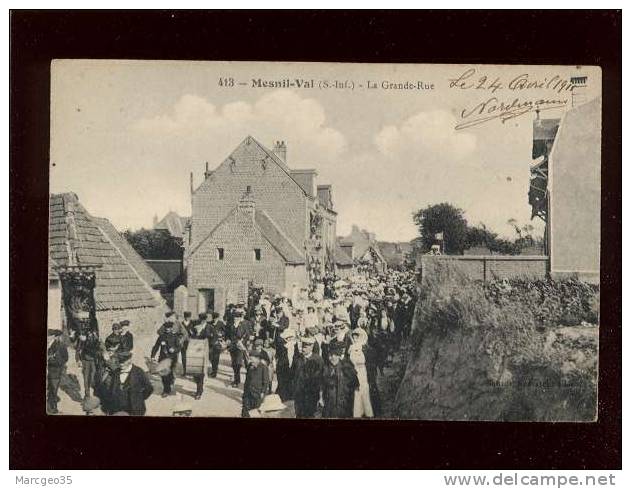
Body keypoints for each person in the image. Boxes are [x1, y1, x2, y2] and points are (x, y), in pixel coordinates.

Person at [96, 350, 153, 416]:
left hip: (134, 410)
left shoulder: (138, 372)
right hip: (117, 409)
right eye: (119, 362)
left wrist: (138, 398)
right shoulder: (116, 372)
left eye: (123, 362)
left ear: (130, 360)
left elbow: (149, 388)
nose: (121, 364)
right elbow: (111, 390)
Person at [321, 342, 359, 418]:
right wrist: (321, 398)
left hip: (343, 401)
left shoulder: (346, 367)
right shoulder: (326, 368)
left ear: (338, 356)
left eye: (333, 355)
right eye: (329, 355)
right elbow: (322, 385)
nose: (331, 358)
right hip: (330, 402)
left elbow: (355, 384)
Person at [292, 336, 324, 418]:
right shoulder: (298, 358)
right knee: (298, 414)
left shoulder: (318, 359)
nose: (303, 349)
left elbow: (320, 377)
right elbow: (293, 373)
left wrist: (320, 393)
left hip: (311, 392)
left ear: (311, 347)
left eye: (305, 347)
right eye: (302, 346)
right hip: (299, 392)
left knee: (310, 414)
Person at [151, 320, 180, 397]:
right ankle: (166, 390)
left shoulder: (175, 336)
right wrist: (153, 356)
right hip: (163, 358)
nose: (167, 329)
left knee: (169, 374)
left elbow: (179, 347)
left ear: (171, 328)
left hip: (172, 358)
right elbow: (156, 346)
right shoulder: (161, 337)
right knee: (164, 375)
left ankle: (171, 381)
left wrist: (174, 349)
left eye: (169, 328)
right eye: (166, 328)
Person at [188, 312, 211, 400]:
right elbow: (191, 336)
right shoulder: (195, 327)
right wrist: (195, 333)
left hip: (204, 350)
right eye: (201, 320)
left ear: (205, 320)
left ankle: (199, 391)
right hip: (195, 350)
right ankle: (199, 388)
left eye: (203, 320)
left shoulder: (209, 327)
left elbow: (211, 337)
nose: (202, 321)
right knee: (195, 371)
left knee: (200, 371)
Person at [75, 326, 102, 400]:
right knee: (86, 377)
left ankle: (93, 392)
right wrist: (78, 360)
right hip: (85, 360)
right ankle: (87, 395)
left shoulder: (96, 339)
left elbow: (99, 349)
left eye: (93, 332)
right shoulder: (82, 340)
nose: (92, 334)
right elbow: (78, 350)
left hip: (93, 360)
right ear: (87, 333)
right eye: (90, 332)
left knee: (93, 376)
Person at [227, 309, 252, 387]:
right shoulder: (230, 325)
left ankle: (237, 381)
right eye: (234, 317)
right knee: (234, 363)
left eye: (237, 317)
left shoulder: (244, 324)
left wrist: (242, 342)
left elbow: (247, 335)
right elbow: (227, 334)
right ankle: (236, 378)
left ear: (239, 318)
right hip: (232, 346)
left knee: (238, 363)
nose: (235, 319)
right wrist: (227, 340)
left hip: (240, 346)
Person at [241, 351, 269, 417]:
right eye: (250, 359)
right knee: (245, 411)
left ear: (257, 358)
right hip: (248, 393)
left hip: (257, 394)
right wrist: (245, 391)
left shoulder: (263, 367)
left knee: (255, 412)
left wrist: (263, 392)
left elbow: (266, 382)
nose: (250, 361)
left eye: (252, 359)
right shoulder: (250, 365)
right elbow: (247, 379)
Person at [47, 329, 68, 414]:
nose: (47, 338)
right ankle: (51, 408)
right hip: (51, 371)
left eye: (49, 336)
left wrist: (53, 361)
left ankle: (53, 409)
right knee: (51, 390)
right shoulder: (50, 345)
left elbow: (65, 358)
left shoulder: (61, 346)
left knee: (53, 390)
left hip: (56, 371)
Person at [207, 312, 226, 378]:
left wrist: (221, 334)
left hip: (218, 343)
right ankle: (213, 369)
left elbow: (225, 332)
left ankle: (214, 372)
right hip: (211, 343)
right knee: (211, 357)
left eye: (215, 318)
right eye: (213, 318)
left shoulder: (221, 323)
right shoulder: (209, 323)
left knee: (216, 358)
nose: (214, 319)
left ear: (218, 318)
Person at [179, 312, 194, 376]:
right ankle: (185, 371)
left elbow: (195, 332)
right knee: (184, 356)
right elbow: (179, 332)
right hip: (183, 342)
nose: (188, 318)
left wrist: (192, 332)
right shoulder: (181, 324)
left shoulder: (192, 323)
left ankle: (191, 371)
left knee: (191, 356)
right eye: (186, 317)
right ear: (184, 317)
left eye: (189, 317)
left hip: (190, 342)